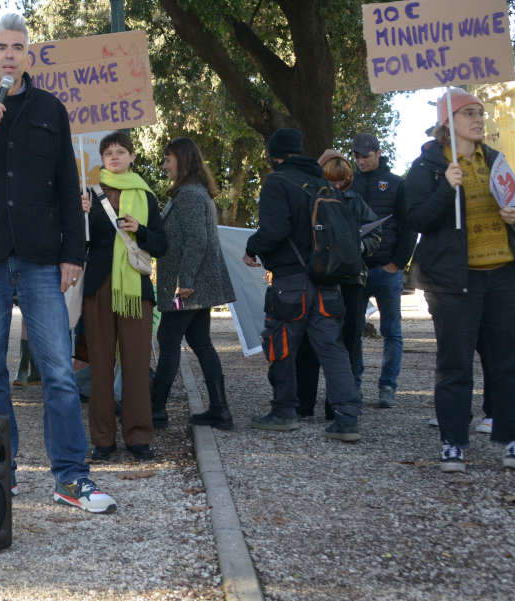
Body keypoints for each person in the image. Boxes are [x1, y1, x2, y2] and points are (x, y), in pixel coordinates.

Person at [0, 13, 117, 514]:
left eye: (18, 47)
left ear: (27, 55)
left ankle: (71, 478)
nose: (10, 55)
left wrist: (72, 254)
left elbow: (65, 185)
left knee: (57, 369)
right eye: (1, 48)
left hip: (40, 256)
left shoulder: (50, 110)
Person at [405, 88, 515, 474]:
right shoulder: (427, 167)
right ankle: (453, 443)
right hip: (452, 282)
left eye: (481, 113)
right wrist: (447, 187)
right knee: (454, 365)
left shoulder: (497, 161)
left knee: (507, 363)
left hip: (504, 276)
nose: (480, 119)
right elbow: (418, 220)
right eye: (469, 114)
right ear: (448, 123)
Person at [244, 128, 361, 443]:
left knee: (281, 345)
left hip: (291, 282)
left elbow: (274, 230)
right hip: (327, 281)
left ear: (275, 156)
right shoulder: (324, 184)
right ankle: (347, 418)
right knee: (332, 348)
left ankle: (284, 412)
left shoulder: (277, 182)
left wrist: (252, 247)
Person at [79, 131, 167, 462]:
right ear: (101, 160)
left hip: (135, 291)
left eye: (120, 151)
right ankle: (102, 440)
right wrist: (82, 215)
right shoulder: (87, 193)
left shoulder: (146, 195)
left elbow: (161, 245)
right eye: (108, 153)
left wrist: (140, 231)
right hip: (98, 288)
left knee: (135, 364)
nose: (114, 157)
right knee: (100, 366)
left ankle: (138, 437)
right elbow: (78, 243)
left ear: (132, 157)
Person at [151, 138, 235, 431]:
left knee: (168, 340)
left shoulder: (188, 194)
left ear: (183, 160)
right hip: (199, 286)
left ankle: (155, 410)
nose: (165, 165)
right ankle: (219, 410)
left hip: (188, 287)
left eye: (168, 159)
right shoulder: (197, 192)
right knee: (201, 343)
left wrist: (184, 281)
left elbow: (196, 241)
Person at [292, 151, 380, 422]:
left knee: (347, 342)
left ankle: (339, 406)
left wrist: (359, 247)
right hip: (324, 279)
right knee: (311, 343)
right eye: (333, 180)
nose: (338, 186)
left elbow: (376, 233)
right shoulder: (310, 198)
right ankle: (307, 403)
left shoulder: (354, 201)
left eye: (342, 181)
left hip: (348, 281)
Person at [349, 133, 413, 409]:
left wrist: (397, 263)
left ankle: (387, 386)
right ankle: (354, 385)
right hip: (354, 270)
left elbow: (409, 227)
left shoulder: (398, 184)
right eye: (357, 156)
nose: (361, 160)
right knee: (351, 331)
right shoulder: (348, 183)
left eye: (365, 155)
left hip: (386, 268)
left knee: (392, 331)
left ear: (378, 153)